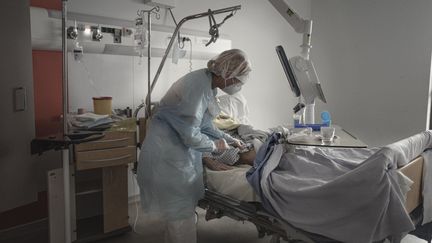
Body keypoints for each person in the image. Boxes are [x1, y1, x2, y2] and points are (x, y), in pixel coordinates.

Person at [136, 49, 251, 243]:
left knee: (177, 218)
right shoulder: (197, 87)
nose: (238, 86)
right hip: (169, 156)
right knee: (181, 218)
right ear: (228, 74)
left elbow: (204, 124)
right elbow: (190, 134)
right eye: (238, 80)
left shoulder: (208, 84)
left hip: (177, 154)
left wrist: (229, 138)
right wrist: (214, 146)